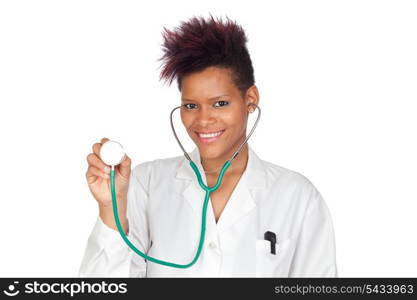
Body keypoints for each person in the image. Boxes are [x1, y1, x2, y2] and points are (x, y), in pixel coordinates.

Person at [79, 15, 337, 277]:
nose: (203, 120)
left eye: (220, 103)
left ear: (250, 99)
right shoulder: (145, 184)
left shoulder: (298, 197)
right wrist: (111, 208)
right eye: (191, 106)